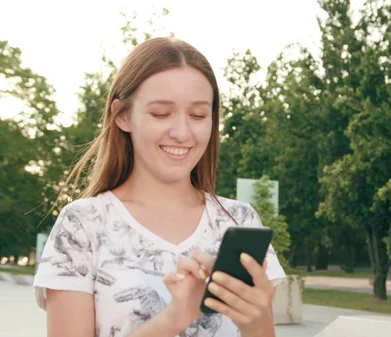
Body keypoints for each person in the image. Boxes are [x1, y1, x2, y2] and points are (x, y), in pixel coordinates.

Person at [32, 37, 286, 337]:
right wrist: (174, 319)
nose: (182, 132)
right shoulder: (82, 225)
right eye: (161, 113)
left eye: (198, 115)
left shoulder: (238, 221)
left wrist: (255, 320)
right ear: (122, 115)